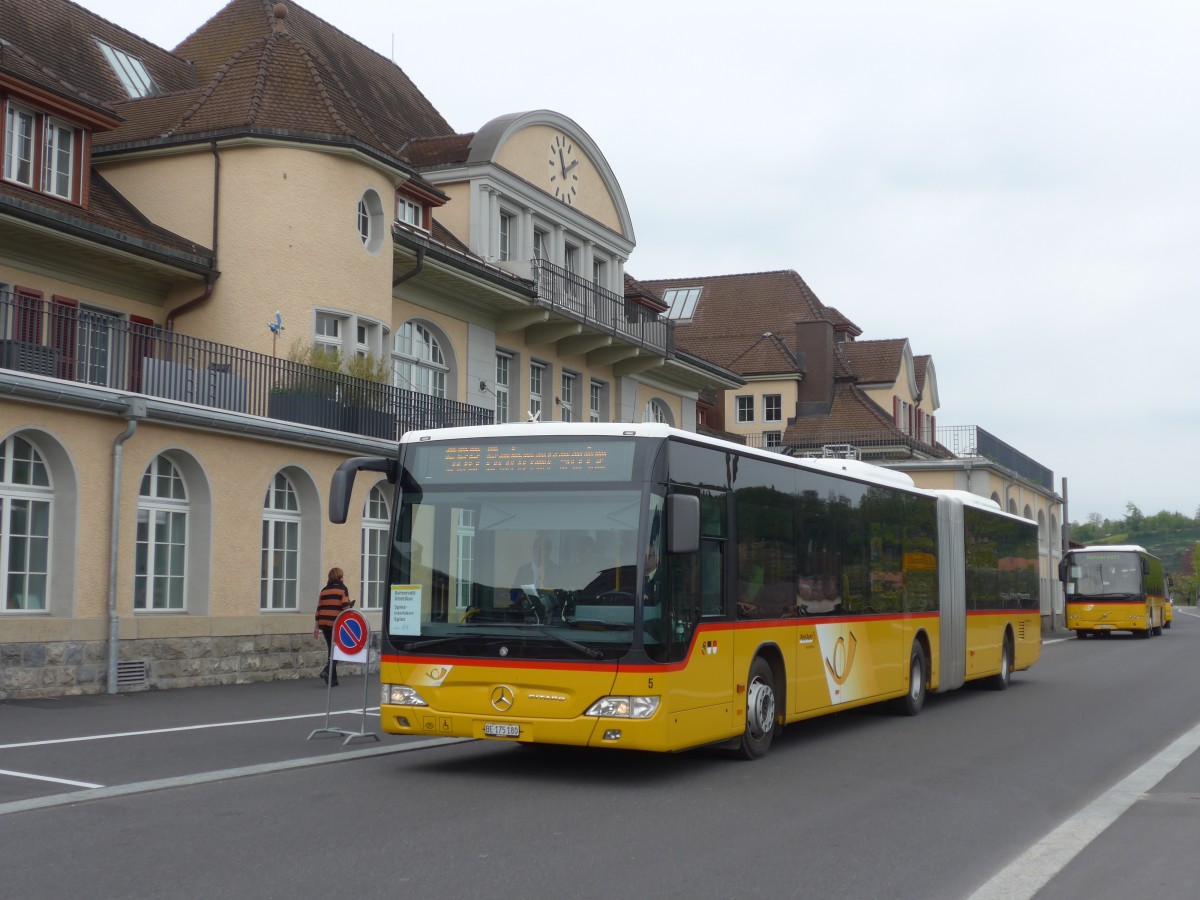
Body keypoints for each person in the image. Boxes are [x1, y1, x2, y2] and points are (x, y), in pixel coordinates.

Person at [314, 566, 353, 686]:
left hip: (324, 624)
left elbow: (318, 609)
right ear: (339, 577)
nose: (343, 578)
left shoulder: (324, 590)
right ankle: (326, 671)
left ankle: (332, 680)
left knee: (331, 650)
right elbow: (345, 608)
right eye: (342, 576)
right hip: (336, 624)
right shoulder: (342, 589)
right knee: (339, 650)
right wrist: (350, 607)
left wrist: (316, 627)